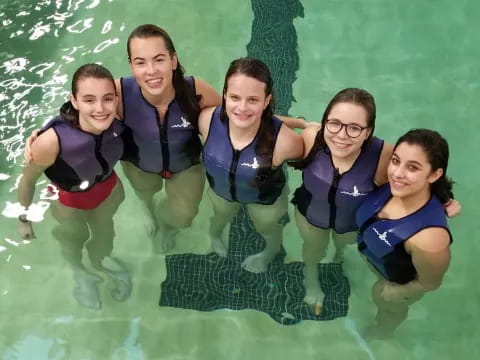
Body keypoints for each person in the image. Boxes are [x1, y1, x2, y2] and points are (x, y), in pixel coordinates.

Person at [291, 88, 460, 315]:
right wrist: (299, 123)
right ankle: (311, 281)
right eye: (335, 123)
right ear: (325, 122)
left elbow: (418, 174)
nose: (341, 135)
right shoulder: (312, 137)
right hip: (310, 215)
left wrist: (445, 199)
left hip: (351, 224)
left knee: (342, 245)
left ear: (368, 132)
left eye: (354, 128)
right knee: (312, 250)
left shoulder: (384, 158)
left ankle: (340, 257)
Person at [17, 63, 131, 310]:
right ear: (75, 101)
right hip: (70, 202)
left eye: (107, 99)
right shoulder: (51, 141)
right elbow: (27, 180)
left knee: (104, 236)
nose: (100, 109)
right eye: (89, 100)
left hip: (108, 191)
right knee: (73, 241)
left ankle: (101, 264)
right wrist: (24, 219)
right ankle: (80, 273)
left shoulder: (118, 119)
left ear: (115, 99)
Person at [198, 57, 304, 273]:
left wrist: (304, 126)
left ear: (266, 101)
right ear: (225, 95)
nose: (242, 108)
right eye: (235, 97)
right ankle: (215, 236)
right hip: (220, 191)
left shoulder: (285, 142)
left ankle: (268, 254)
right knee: (219, 217)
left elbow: (308, 160)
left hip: (264, 199)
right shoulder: (206, 120)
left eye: (253, 100)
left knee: (268, 229)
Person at [356, 128, 453, 338]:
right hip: (376, 258)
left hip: (394, 282)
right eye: (396, 160)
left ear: (435, 174)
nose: (397, 173)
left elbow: (431, 282)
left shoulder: (429, 239)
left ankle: (383, 332)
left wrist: (400, 292)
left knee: (387, 307)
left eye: (413, 167)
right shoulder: (388, 184)